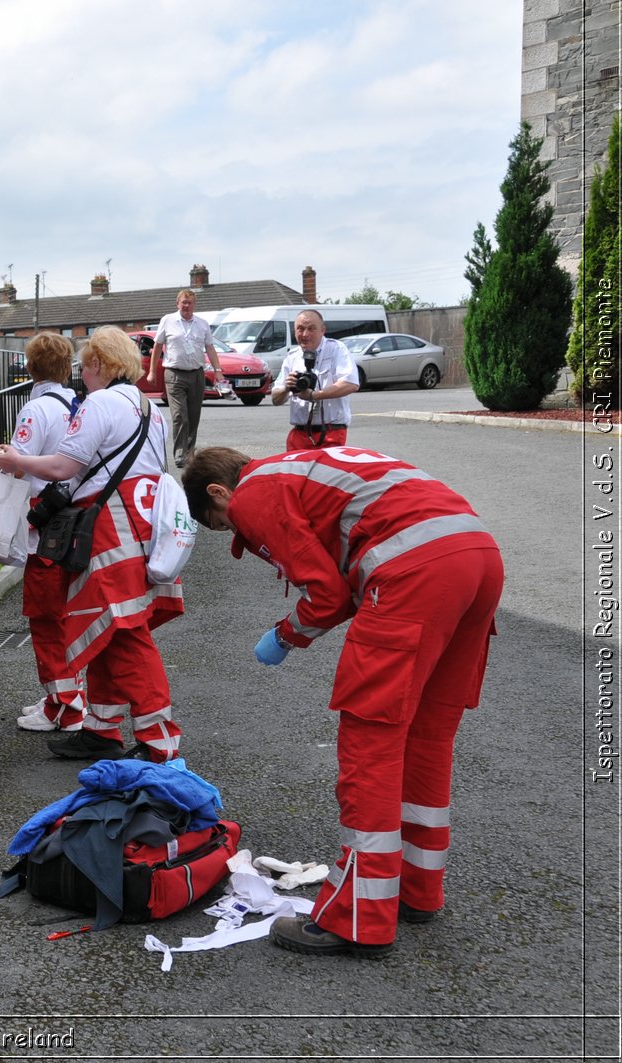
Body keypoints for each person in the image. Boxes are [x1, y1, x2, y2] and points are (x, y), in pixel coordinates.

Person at [181, 445, 502, 958]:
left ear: (219, 493)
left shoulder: (253, 491)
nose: (237, 531)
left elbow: (328, 593)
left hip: (412, 569)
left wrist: (286, 636)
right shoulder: (309, 466)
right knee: (427, 739)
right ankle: (417, 890)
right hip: (477, 555)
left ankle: (358, 916)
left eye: (224, 525)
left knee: (369, 746)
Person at [0, 327, 184, 763]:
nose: (81, 374)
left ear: (99, 364)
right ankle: (101, 728)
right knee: (107, 630)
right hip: (141, 524)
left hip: (108, 527)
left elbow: (63, 466)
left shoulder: (100, 403)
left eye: (85, 365)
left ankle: (160, 741)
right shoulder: (148, 407)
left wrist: (15, 460)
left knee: (126, 634)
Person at [0, 333, 82, 733]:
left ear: (29, 367)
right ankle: (69, 697)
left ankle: (65, 707)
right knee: (70, 616)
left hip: (46, 526)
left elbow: (16, 466)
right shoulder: (77, 404)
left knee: (45, 618)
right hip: (78, 520)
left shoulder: (36, 408)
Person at [145, 289, 222, 469]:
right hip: (174, 373)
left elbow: (210, 348)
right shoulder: (167, 320)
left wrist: (218, 370)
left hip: (197, 374)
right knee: (180, 415)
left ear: (194, 304)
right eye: (184, 302)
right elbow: (157, 346)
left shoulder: (202, 324)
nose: (187, 306)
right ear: (177, 303)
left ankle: (189, 453)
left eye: (190, 302)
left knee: (193, 416)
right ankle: (180, 454)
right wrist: (151, 372)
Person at [271, 309, 360, 451]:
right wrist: (286, 388)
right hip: (299, 435)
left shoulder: (336, 349)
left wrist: (314, 395)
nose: (305, 334)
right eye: (300, 329)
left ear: (322, 330)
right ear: (294, 331)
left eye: (311, 329)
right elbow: (275, 400)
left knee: (326, 474)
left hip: (330, 434)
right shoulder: (292, 357)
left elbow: (351, 384)